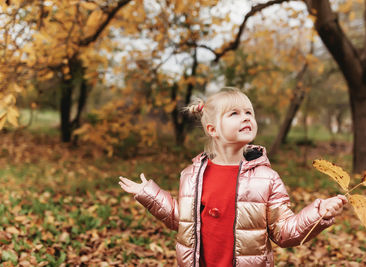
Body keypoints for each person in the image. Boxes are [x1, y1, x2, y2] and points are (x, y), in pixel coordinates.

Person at [119, 88, 347, 267]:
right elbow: (183, 222)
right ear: (212, 129)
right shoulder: (191, 176)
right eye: (235, 113)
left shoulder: (267, 179)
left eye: (249, 112)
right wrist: (149, 194)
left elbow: (283, 232)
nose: (246, 117)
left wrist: (319, 213)